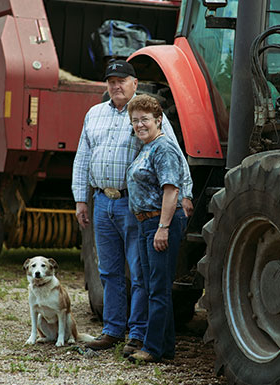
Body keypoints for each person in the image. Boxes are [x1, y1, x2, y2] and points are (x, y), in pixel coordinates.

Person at [71, 60, 193, 353]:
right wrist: (80, 198)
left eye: (122, 80)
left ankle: (137, 334)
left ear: (134, 84)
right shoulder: (94, 114)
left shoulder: (145, 115)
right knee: (109, 271)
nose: (116, 85)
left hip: (133, 204)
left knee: (139, 273)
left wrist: (186, 193)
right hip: (101, 201)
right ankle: (112, 330)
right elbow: (83, 157)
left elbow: (173, 155)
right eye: (111, 81)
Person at [125, 94, 188, 363]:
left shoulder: (164, 148)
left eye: (145, 119)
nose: (140, 125)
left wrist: (163, 227)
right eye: (135, 120)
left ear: (159, 120)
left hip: (159, 222)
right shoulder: (147, 147)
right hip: (145, 222)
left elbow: (171, 190)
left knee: (158, 288)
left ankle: (151, 348)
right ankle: (166, 347)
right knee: (154, 285)